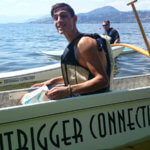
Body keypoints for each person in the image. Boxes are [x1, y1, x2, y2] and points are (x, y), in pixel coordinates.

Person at [32, 3, 113, 100]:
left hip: (93, 103)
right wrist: (53, 81)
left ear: (74, 19)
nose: (59, 21)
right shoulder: (74, 44)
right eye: (55, 18)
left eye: (63, 16)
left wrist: (68, 90)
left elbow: (103, 80)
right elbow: (83, 75)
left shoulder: (84, 43)